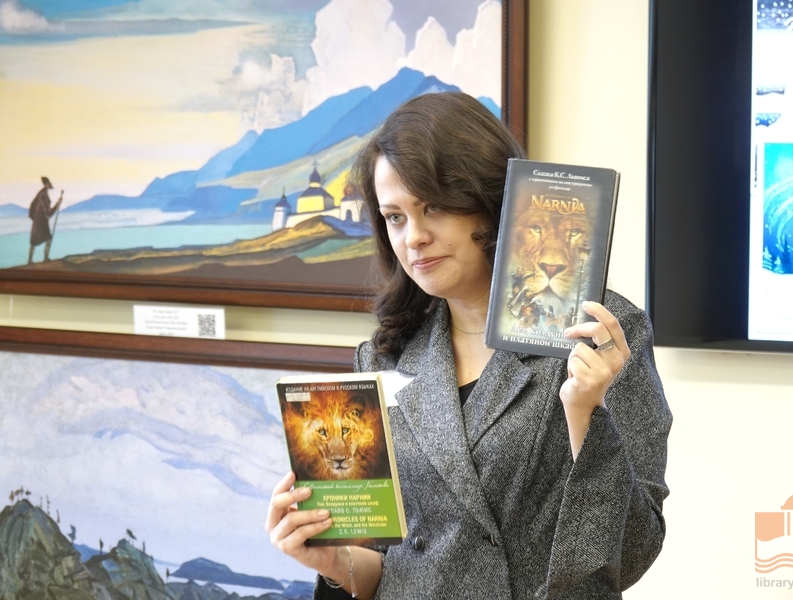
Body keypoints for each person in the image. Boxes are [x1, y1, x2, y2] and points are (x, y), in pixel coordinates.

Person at [267, 92, 672, 599]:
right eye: (395, 217)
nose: (414, 237)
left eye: (433, 207)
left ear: (490, 204)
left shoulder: (598, 334)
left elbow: (632, 552)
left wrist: (586, 413)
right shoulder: (383, 355)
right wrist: (332, 559)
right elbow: (388, 564)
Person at [28, 176, 63, 264]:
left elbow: (47, 212)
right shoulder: (42, 195)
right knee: (38, 240)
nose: (50, 184)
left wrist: (57, 205)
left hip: (40, 220)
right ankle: (34, 260)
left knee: (43, 239)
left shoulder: (43, 193)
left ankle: (43, 258)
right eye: (49, 183)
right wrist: (57, 205)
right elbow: (47, 213)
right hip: (40, 221)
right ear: (46, 184)